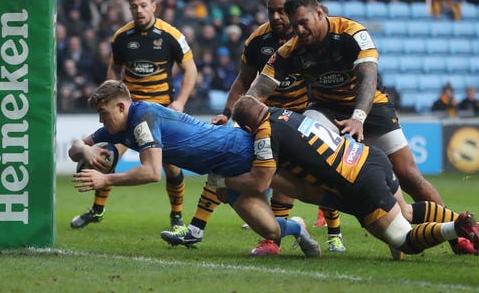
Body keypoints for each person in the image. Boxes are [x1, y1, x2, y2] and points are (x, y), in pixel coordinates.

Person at [244, 0, 479, 255]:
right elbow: (257, 90)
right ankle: (296, 231)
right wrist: (243, 112)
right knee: (300, 154)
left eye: (303, 22)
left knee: (409, 175)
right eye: (294, 25)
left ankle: (457, 238)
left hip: (370, 106)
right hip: (325, 108)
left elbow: (368, 77)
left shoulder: (351, 33)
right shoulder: (290, 51)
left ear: (320, 12)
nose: (299, 30)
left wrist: (358, 117)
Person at [161, 0, 345, 255]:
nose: (277, 17)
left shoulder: (307, 37)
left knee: (318, 174)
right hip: (262, 119)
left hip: (301, 118)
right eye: (271, 11)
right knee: (223, 164)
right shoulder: (258, 40)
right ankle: (197, 231)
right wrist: (227, 112)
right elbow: (243, 80)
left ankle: (334, 234)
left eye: (282, 11)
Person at [70, 80, 322, 258]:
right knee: (269, 229)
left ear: (122, 107)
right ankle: (297, 226)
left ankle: (350, 208)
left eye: (103, 113)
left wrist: (105, 180)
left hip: (243, 151)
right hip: (224, 171)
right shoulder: (114, 129)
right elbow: (75, 147)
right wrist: (85, 150)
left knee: (312, 189)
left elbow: (151, 172)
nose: (101, 120)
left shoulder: (142, 117)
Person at [226, 95, 479, 259]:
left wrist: (229, 180)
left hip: (361, 183)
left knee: (405, 241)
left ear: (248, 126)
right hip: (370, 157)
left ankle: (456, 227)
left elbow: (261, 181)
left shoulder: (264, 132)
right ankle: (471, 224)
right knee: (408, 212)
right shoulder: (285, 115)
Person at [70, 0, 198, 232]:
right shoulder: (121, 37)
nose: (138, 11)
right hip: (127, 114)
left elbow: (190, 69)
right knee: (104, 157)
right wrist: (109, 97)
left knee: (171, 167)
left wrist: (180, 101)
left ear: (154, 6)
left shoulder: (172, 35)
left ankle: (177, 216)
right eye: (134, 7)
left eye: (143, 5)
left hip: (160, 114)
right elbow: (114, 70)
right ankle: (97, 210)